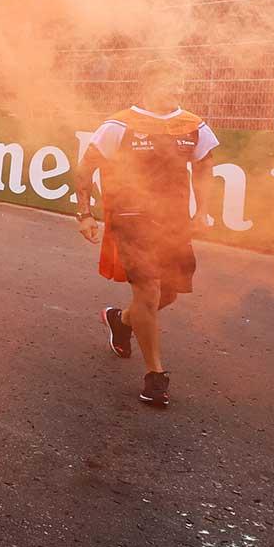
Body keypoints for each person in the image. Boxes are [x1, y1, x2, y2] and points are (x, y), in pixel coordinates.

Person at [75, 60, 218, 407]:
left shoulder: (193, 126)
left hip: (173, 221)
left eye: (181, 84)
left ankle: (121, 321)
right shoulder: (120, 124)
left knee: (169, 293)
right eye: (171, 83)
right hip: (130, 217)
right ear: (149, 86)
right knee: (149, 292)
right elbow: (86, 167)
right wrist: (85, 213)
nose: (178, 90)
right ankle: (155, 375)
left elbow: (204, 168)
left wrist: (202, 210)